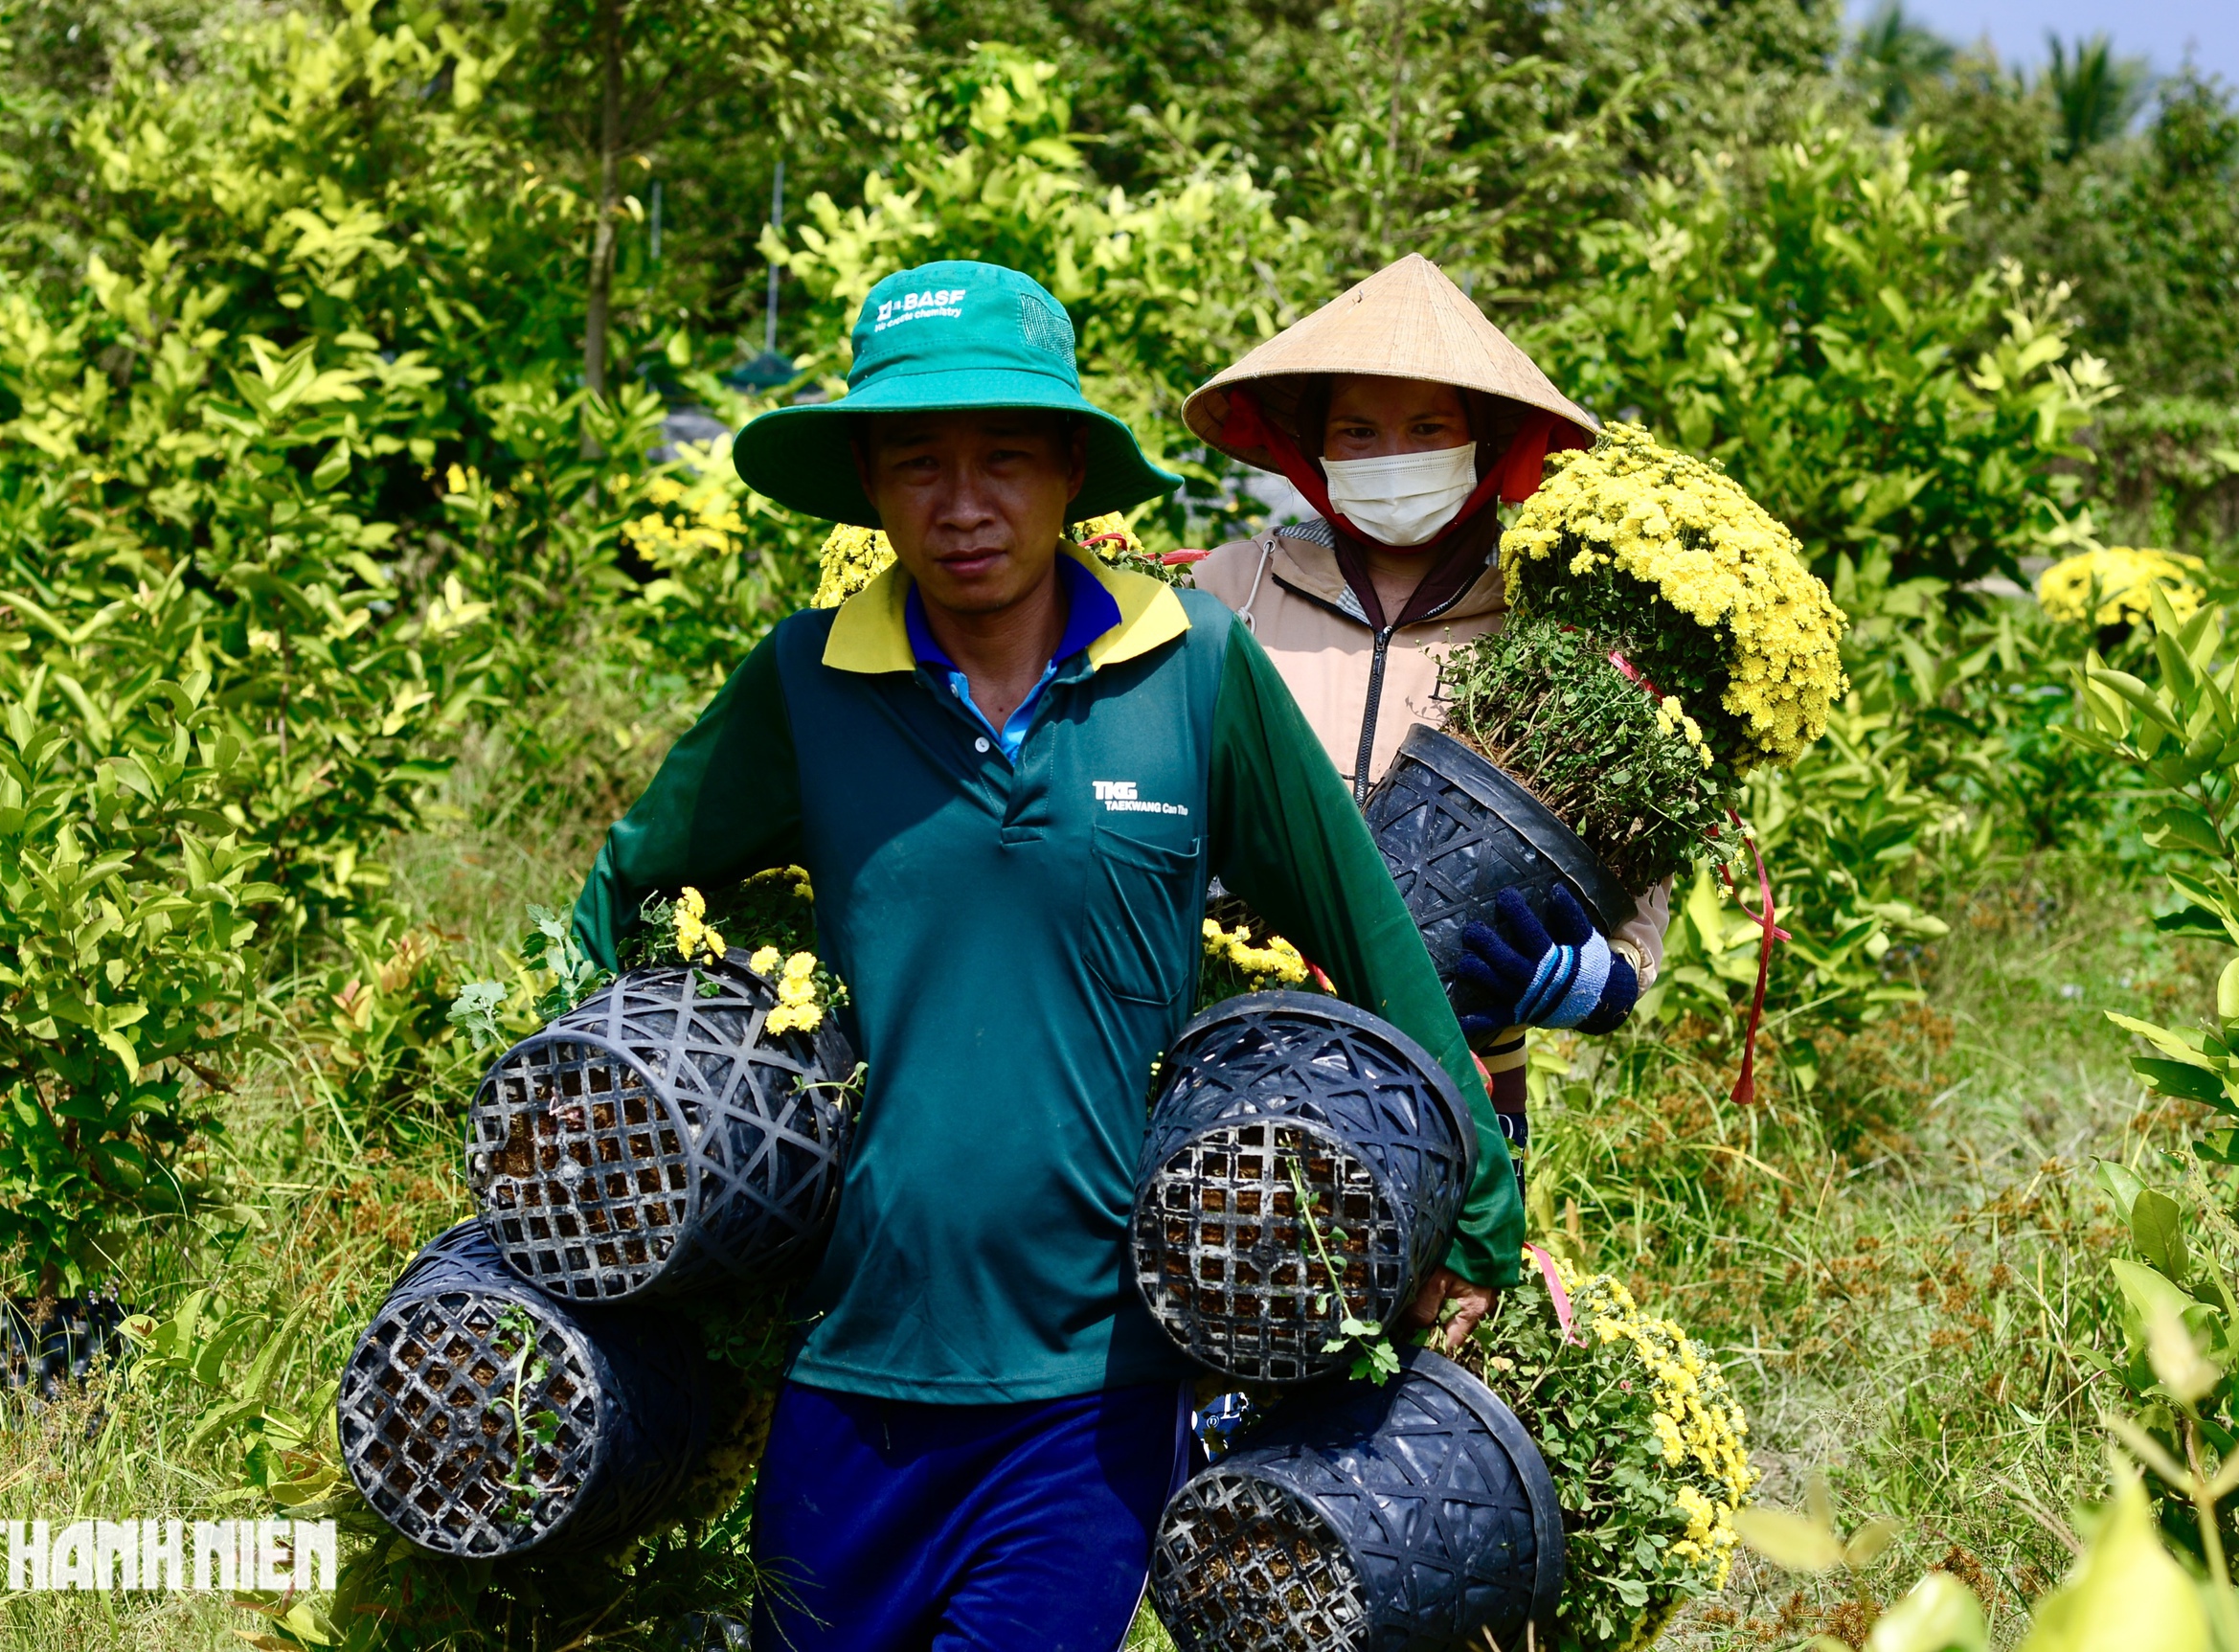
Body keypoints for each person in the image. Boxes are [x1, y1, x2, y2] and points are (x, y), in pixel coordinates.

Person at [566, 260, 1523, 1652]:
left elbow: (1366, 935)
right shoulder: (808, 682)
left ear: (1072, 466)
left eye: (1005, 458)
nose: (963, 506)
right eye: (919, 463)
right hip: (848, 1372)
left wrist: (1480, 1206)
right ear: (869, 481)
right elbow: (630, 884)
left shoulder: (1191, 666)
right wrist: (598, 1153)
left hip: (1094, 1392)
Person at [1182, 253, 1676, 1150]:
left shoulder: (1551, 640)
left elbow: (1632, 874)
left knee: (1448, 1294)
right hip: (1224, 1067)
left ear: (1483, 441)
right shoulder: (1228, 593)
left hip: (1462, 1096)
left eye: (1426, 428)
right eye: (1359, 432)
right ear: (1314, 447)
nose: (1392, 458)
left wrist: (1602, 977)